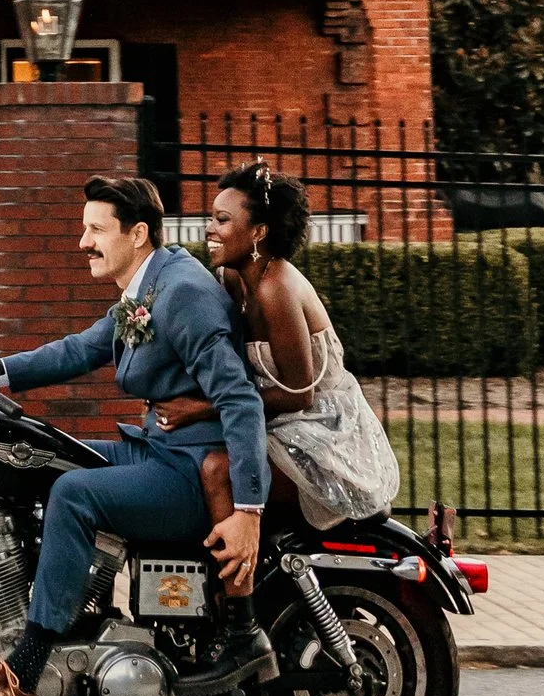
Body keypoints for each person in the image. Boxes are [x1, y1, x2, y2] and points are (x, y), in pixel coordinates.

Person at [0, 173, 275, 696]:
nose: (83, 242)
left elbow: (240, 399)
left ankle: (23, 672)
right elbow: (83, 349)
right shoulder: (150, 284)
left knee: (73, 492)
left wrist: (248, 511)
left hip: (186, 471)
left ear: (137, 234)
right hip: (160, 450)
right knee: (47, 459)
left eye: (96, 229)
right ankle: (65, 620)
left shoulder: (180, 293)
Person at [159, 163, 401, 538]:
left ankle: (237, 589)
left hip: (317, 431)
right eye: (211, 218)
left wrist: (202, 408)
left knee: (217, 469)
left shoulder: (276, 288)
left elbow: (299, 393)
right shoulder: (231, 277)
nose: (209, 229)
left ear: (258, 232)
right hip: (269, 421)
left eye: (222, 220)